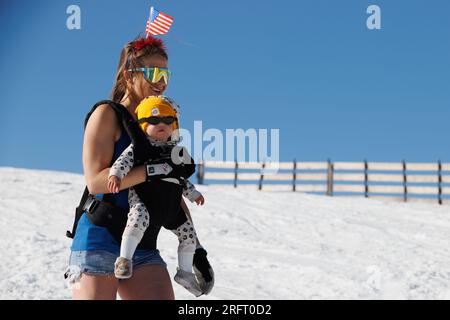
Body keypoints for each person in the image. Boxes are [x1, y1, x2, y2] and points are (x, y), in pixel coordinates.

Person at [65, 35, 214, 300]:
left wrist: (197, 250)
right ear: (129, 74)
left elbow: (173, 188)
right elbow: (96, 182)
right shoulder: (106, 115)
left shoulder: (161, 127)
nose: (161, 82)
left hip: (143, 245)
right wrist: (153, 170)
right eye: (154, 72)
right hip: (100, 239)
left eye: (166, 74)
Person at [108, 95, 206, 297]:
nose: (161, 124)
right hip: (146, 199)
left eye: (167, 120)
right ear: (143, 126)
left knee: (188, 234)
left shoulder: (177, 152)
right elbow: (123, 161)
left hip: (170, 205)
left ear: (175, 125)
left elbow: (179, 178)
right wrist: (116, 175)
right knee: (137, 220)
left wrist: (193, 193)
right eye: (153, 121)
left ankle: (185, 272)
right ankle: (124, 259)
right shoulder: (141, 147)